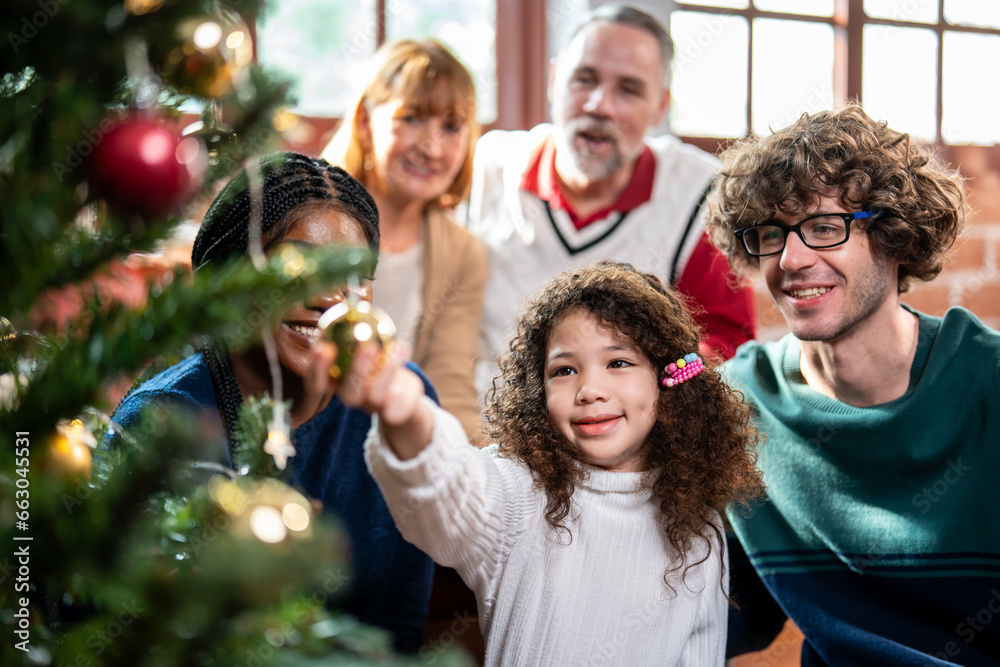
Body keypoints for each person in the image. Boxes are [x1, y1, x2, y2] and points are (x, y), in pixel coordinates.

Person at [329, 260, 764, 666]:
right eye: (564, 370)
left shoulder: (699, 529)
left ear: (668, 382)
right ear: (538, 392)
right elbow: (445, 488)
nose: (590, 389)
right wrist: (407, 415)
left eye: (618, 362)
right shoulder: (519, 493)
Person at [703, 104, 1000, 666]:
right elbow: (722, 616)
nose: (791, 259)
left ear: (894, 236)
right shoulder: (742, 403)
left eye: (822, 227)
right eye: (771, 234)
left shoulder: (988, 385)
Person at [105, 152, 436, 652]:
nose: (329, 297)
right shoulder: (161, 420)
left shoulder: (399, 403)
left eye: (352, 274)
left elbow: (399, 629)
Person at [466, 4, 755, 402]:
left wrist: (662, 384)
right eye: (584, 79)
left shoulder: (698, 194)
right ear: (553, 81)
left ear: (659, 107)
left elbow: (726, 342)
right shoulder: (486, 166)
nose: (600, 105)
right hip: (486, 430)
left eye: (629, 89)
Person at [322, 38, 488, 445]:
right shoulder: (311, 219)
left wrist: (485, 479)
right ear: (364, 122)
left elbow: (449, 393)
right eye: (411, 118)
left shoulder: (462, 253)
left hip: (393, 454)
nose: (431, 147)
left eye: (451, 127)